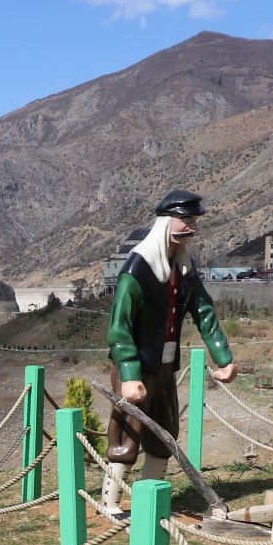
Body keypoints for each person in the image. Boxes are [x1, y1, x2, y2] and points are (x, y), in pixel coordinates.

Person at [102, 189, 236, 519]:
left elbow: (203, 311)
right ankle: (110, 504)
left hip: (165, 367)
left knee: (165, 433)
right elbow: (119, 327)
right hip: (138, 366)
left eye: (194, 221)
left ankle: (149, 502)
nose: (191, 227)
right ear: (166, 222)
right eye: (184, 220)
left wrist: (223, 357)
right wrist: (129, 375)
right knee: (127, 434)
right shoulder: (138, 270)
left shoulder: (184, 270)